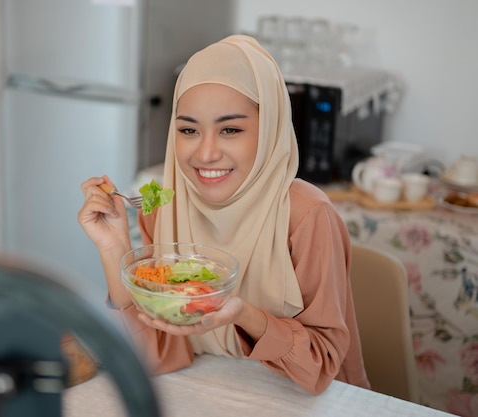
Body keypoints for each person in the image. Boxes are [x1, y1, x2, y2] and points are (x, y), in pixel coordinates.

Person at [77, 34, 370, 394]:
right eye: (188, 130)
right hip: (206, 395)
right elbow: (155, 356)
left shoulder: (306, 215)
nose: (206, 152)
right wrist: (115, 250)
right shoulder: (162, 208)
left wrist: (245, 316)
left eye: (230, 129)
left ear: (270, 129)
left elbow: (323, 367)